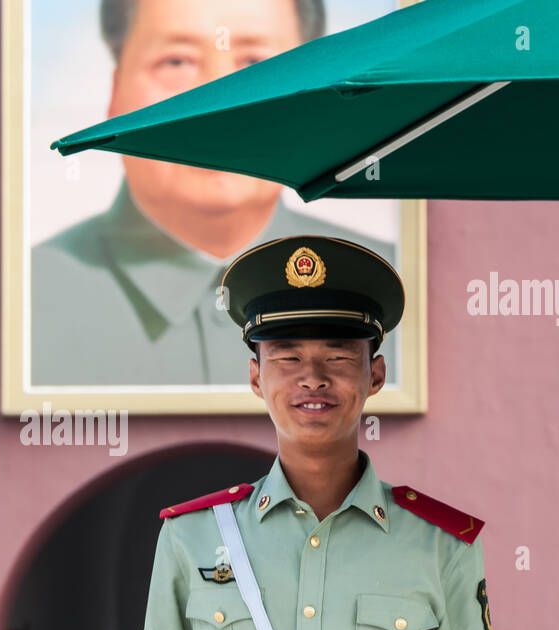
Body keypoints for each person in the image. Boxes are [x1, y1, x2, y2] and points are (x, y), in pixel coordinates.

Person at [131, 235, 505, 630]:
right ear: (255, 375)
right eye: (286, 356)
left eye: (338, 355)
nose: (313, 378)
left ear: (375, 373)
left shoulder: (440, 546)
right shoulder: (192, 539)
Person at [32, 0, 396, 387]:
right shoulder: (32, 296)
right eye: (177, 62)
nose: (217, 103)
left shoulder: (386, 284)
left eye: (258, 64)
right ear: (116, 91)